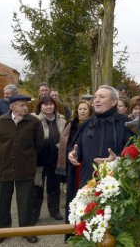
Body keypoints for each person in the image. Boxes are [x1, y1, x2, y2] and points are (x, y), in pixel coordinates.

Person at [0, 94, 44, 245]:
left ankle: (27, 231)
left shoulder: (34, 122)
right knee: (2, 201)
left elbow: (38, 144)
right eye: (21, 105)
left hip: (25, 168)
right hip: (3, 167)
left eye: (26, 105)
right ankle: (1, 232)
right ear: (12, 107)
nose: (25, 108)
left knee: (26, 201)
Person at [68, 85, 133, 187]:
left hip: (115, 184)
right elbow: (78, 147)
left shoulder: (126, 124)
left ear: (114, 101)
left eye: (102, 97)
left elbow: (134, 154)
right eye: (95, 97)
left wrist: (117, 159)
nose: (97, 100)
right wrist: (74, 154)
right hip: (88, 183)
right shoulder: (86, 124)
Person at [56, 100, 93, 242]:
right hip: (73, 164)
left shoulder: (92, 124)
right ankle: (72, 230)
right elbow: (66, 143)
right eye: (80, 109)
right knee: (74, 196)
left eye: (85, 109)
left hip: (86, 164)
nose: (82, 111)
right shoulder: (70, 125)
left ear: (90, 111)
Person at [31, 95, 66, 224]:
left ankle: (54, 211)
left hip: (55, 157)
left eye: (51, 104)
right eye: (45, 104)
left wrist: (56, 146)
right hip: (39, 159)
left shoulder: (61, 120)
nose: (49, 106)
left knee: (54, 186)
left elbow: (65, 138)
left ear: (55, 106)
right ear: (40, 106)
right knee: (37, 187)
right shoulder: (34, 120)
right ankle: (34, 214)